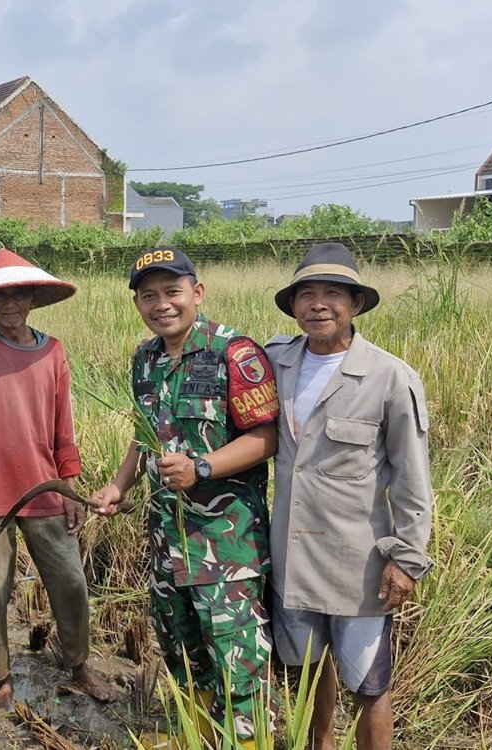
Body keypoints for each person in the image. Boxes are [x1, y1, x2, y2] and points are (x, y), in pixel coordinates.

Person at [93, 247, 279, 743]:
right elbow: (144, 432)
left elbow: (266, 438)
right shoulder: (146, 358)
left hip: (226, 548)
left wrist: (202, 467)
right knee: (182, 658)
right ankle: (196, 737)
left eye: (172, 292)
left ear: (196, 293)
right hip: (166, 544)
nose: (162, 305)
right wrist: (118, 484)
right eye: (148, 296)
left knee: (238, 666)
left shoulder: (234, 353)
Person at [265, 242, 434, 750]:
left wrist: (406, 559)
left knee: (369, 684)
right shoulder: (274, 362)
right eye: (307, 294)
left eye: (333, 294)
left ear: (356, 305)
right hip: (290, 556)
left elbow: (412, 478)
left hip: (356, 562)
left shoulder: (389, 377)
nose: (319, 304)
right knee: (307, 674)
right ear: (293, 305)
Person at [0, 248, 118, 708]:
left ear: (32, 298)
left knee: (71, 583)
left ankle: (78, 665)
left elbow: (64, 428)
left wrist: (71, 490)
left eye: (18, 295)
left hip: (44, 490)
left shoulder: (53, 350)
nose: (10, 304)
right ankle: (0, 679)